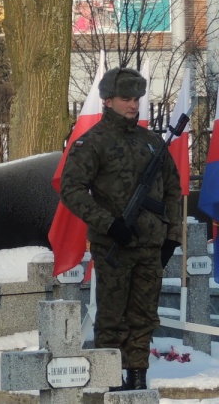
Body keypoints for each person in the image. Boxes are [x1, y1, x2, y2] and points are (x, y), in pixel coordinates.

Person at [59, 67, 182, 391]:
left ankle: (138, 378)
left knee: (144, 318)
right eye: (126, 99)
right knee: (112, 319)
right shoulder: (93, 142)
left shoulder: (152, 142)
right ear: (108, 100)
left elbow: (173, 187)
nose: (133, 105)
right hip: (115, 247)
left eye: (137, 99)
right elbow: (70, 190)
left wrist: (172, 236)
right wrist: (109, 224)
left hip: (150, 249)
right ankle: (108, 382)